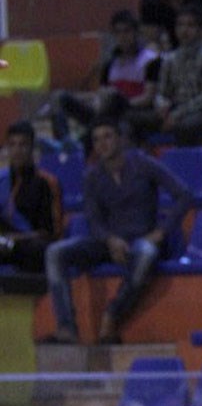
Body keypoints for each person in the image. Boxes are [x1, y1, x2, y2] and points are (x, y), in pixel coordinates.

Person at [43, 118, 193, 344]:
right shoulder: (92, 176)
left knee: (146, 253)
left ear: (120, 139)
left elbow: (184, 194)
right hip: (109, 242)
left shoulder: (142, 163)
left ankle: (111, 316)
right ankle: (66, 327)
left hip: (141, 239)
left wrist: (161, 232)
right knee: (55, 252)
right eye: (96, 140)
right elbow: (93, 219)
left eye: (107, 137)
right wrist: (109, 240)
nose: (102, 144)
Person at [49, 10, 160, 144]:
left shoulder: (150, 60)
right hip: (105, 112)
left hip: (132, 112)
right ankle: (64, 142)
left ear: (136, 32)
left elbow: (148, 98)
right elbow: (101, 95)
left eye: (127, 31)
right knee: (59, 97)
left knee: (112, 97)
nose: (123, 37)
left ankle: (80, 143)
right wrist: (86, 99)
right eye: (118, 32)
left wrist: (120, 103)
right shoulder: (110, 64)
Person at [125, 5, 202, 146]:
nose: (184, 30)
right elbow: (162, 93)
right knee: (129, 118)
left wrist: (177, 114)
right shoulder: (169, 59)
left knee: (186, 126)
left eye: (190, 25)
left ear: (201, 30)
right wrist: (161, 106)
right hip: (172, 109)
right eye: (180, 25)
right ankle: (139, 156)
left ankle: (182, 159)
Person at [1, 121, 63, 273]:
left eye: (22, 145)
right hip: (4, 243)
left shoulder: (46, 182)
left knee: (38, 250)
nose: (17, 151)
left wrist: (15, 238)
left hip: (31, 245)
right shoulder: (2, 180)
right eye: (12, 145)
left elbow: (51, 232)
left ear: (32, 148)